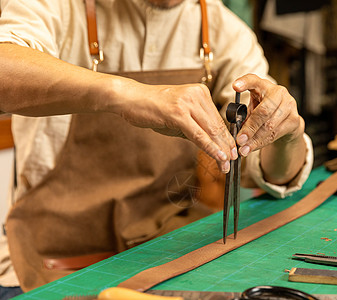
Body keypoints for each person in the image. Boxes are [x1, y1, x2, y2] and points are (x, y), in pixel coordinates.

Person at [0, 0, 314, 296]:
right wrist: (123, 93)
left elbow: (271, 172)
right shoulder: (58, 7)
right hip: (58, 261)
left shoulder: (220, 27)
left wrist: (288, 135)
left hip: (168, 255)